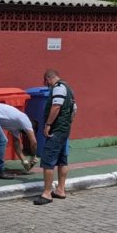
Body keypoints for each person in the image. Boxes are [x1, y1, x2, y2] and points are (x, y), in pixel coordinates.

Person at [34, 69, 75, 205]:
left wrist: (48, 124)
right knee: (62, 160)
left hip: (56, 130)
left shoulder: (58, 88)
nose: (47, 85)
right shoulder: (69, 88)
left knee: (48, 160)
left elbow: (56, 107)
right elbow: (74, 109)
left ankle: (46, 193)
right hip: (64, 130)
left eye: (46, 83)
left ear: (48, 78)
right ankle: (60, 190)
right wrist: (67, 124)